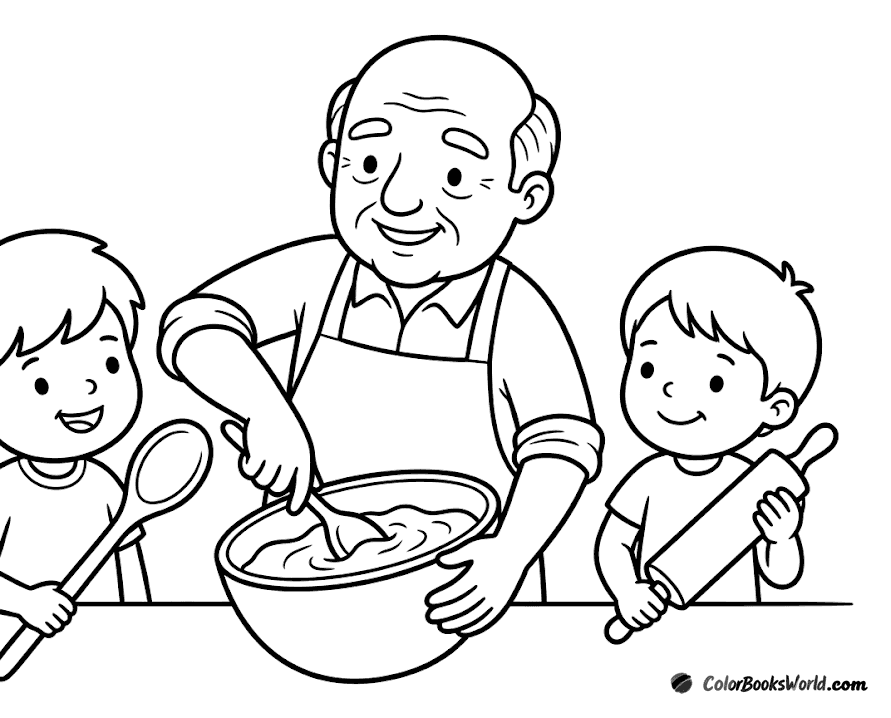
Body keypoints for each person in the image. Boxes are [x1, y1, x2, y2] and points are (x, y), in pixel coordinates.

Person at [158, 37, 603, 635]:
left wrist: (511, 556)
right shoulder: (318, 274)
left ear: (525, 197)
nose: (400, 200)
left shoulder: (516, 314)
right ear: (331, 164)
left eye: (453, 175)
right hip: (311, 590)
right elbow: (195, 326)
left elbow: (561, 450)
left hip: (470, 595)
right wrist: (264, 410)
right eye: (369, 165)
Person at [0, 229, 150, 637]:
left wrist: (145, 627)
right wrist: (24, 602)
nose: (89, 388)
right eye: (43, 383)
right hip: (15, 638)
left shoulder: (108, 486)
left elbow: (128, 569)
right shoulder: (0, 491)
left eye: (111, 362)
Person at [596, 247, 822, 633]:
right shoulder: (649, 478)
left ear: (775, 408)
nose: (668, 388)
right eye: (648, 367)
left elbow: (781, 579)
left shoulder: (754, 486)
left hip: (739, 632)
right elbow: (612, 545)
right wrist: (627, 590)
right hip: (657, 628)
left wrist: (783, 538)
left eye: (715, 382)